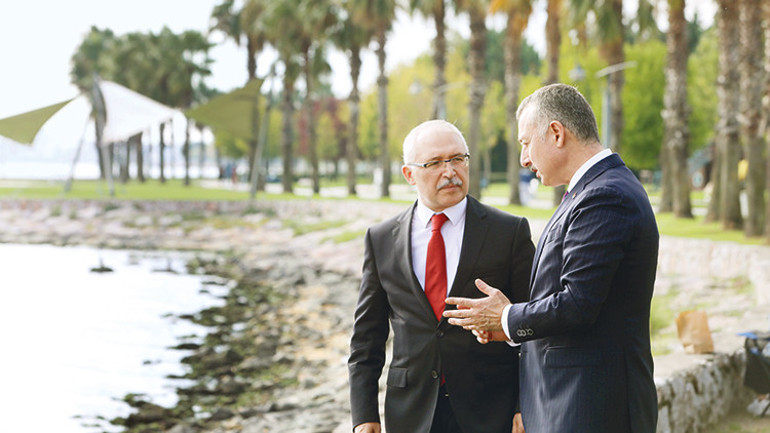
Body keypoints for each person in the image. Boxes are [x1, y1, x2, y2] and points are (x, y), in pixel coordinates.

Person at [443, 84, 659, 433]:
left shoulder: (605, 195)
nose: (524, 159)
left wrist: (507, 316)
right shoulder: (589, 191)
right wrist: (507, 328)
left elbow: (578, 303)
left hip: (592, 408)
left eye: (526, 143)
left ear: (557, 133)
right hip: (572, 403)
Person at [348, 120, 535, 433]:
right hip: (410, 411)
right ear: (409, 174)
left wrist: (523, 404)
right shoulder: (381, 239)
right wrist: (364, 415)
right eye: (434, 163)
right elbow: (367, 336)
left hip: (491, 409)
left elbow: (533, 323)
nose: (450, 171)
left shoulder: (509, 232)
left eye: (458, 159)